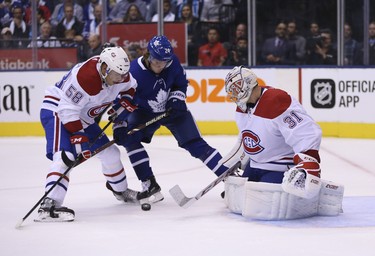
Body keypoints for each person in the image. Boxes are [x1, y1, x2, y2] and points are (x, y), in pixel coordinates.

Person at [112, 35, 229, 204]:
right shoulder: (133, 74)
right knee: (129, 139)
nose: (161, 66)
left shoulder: (171, 62)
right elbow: (123, 101)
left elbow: (180, 84)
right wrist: (120, 125)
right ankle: (149, 184)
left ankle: (230, 179)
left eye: (164, 62)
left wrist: (177, 99)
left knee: (196, 144)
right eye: (157, 62)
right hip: (144, 112)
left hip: (172, 111)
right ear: (148, 56)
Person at [220, 66, 344, 220]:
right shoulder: (242, 108)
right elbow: (246, 136)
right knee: (238, 198)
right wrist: (237, 158)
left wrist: (309, 163)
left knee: (262, 207)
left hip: (278, 167)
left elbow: (306, 131)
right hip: (255, 165)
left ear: (248, 85)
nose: (234, 95)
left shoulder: (275, 100)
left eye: (236, 89)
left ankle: (316, 192)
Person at [36, 46, 140, 222]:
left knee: (111, 153)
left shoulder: (118, 73)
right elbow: (67, 110)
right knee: (65, 156)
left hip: (82, 116)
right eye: (117, 75)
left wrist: (123, 103)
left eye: (123, 74)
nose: (121, 79)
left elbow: (131, 87)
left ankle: (121, 191)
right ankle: (49, 205)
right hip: (57, 110)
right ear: (105, 69)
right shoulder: (86, 78)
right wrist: (79, 140)